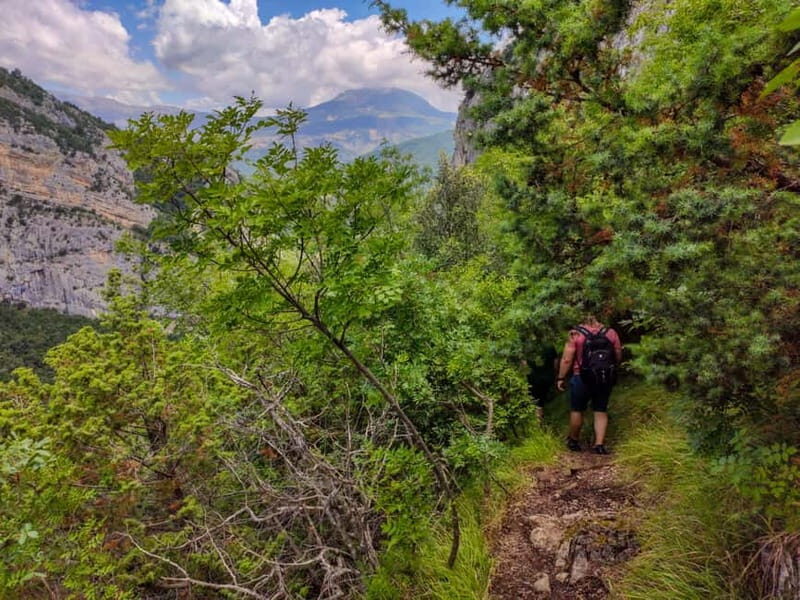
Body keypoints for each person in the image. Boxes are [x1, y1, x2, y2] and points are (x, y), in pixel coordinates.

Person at [556, 314, 622, 454]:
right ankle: (599, 445)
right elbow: (617, 354)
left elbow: (567, 359)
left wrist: (561, 377)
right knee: (600, 410)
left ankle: (574, 441)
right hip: (604, 378)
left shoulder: (575, 333)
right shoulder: (610, 332)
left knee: (577, 409)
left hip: (581, 377)